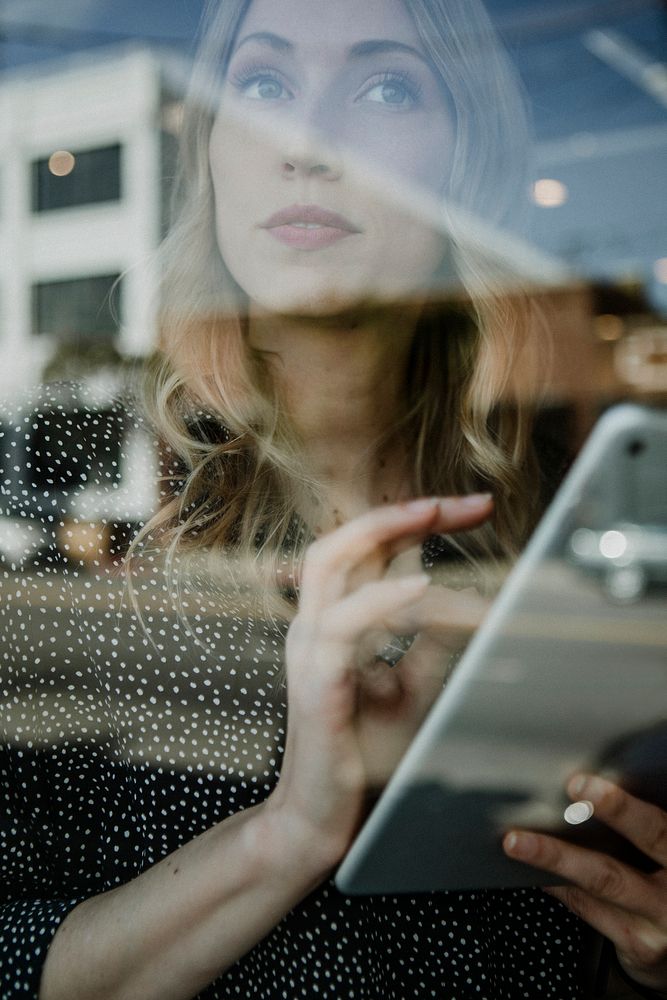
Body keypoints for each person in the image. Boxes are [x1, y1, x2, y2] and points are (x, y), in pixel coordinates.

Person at [1, 0, 665, 998]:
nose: (305, 140)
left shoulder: (565, 556)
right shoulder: (75, 556)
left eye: (386, 87)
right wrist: (290, 834)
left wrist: (647, 951)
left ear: (466, 170)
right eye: (261, 85)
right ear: (212, 156)